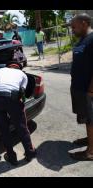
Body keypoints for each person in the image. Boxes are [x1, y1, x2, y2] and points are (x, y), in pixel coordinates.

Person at [0, 63, 36, 166]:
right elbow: (22, 92)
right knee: (22, 128)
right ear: (18, 67)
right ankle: (29, 153)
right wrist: (19, 103)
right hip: (13, 100)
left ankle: (11, 157)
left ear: (8, 66)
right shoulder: (22, 74)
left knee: (4, 129)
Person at [69, 13, 93, 161]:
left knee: (91, 119)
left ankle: (91, 152)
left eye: (74, 26)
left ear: (84, 23)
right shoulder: (82, 40)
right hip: (79, 88)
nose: (72, 29)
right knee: (86, 117)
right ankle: (90, 138)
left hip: (88, 90)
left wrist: (91, 89)